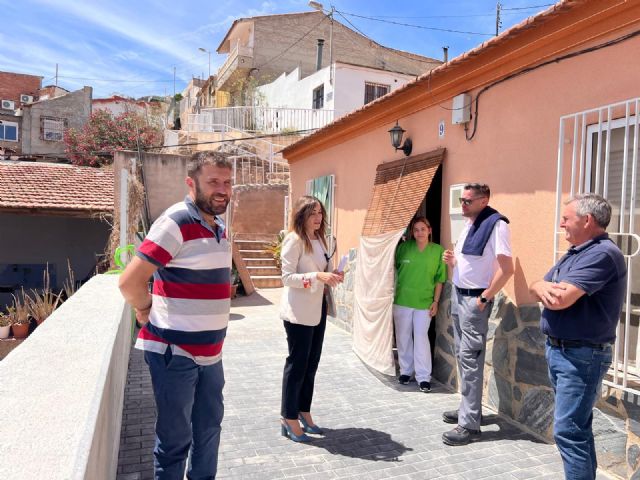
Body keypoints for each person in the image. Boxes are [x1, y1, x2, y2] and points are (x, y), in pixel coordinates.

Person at [119, 151, 233, 480]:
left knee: (209, 432)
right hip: (175, 353)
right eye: (213, 182)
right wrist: (144, 308)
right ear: (191, 183)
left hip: (211, 355)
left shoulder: (219, 226)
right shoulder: (176, 222)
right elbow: (130, 282)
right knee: (174, 442)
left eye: (227, 182)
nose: (222, 189)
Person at [529, 193, 626, 480]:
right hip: (563, 352)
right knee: (576, 429)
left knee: (568, 431)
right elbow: (539, 284)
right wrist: (538, 285)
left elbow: (559, 299)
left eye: (566, 218)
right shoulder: (577, 252)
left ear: (587, 220)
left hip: (582, 355)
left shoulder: (602, 254)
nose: (561, 224)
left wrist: (545, 289)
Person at [441, 183, 514, 446]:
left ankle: (470, 426)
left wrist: (485, 298)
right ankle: (470, 411)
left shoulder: (496, 225)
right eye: (461, 200)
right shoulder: (471, 225)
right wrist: (453, 262)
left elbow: (507, 269)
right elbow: (472, 263)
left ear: (484, 201)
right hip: (459, 295)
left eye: (468, 201)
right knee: (463, 357)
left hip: (474, 301)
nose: (462, 205)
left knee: (470, 359)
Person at [279, 195, 344, 442]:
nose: (318, 218)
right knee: (297, 366)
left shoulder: (319, 239)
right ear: (301, 214)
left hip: (318, 310)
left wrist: (332, 275)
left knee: (311, 364)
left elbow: (322, 271)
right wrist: (317, 276)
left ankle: (304, 412)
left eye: (320, 213)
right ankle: (288, 417)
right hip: (298, 313)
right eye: (313, 213)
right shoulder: (293, 240)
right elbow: (286, 278)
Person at [393, 216, 447, 392]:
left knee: (421, 337)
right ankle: (406, 371)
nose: (419, 233)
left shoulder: (438, 251)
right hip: (402, 300)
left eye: (423, 229)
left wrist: (436, 302)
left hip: (424, 302)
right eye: (416, 230)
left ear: (429, 230)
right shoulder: (403, 249)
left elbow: (440, 279)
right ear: (412, 232)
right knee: (403, 337)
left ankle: (423, 376)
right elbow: (391, 270)